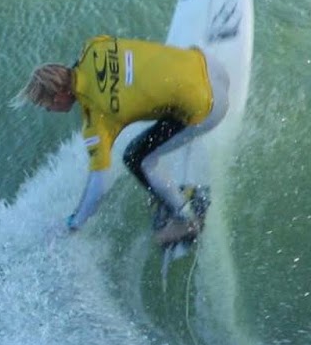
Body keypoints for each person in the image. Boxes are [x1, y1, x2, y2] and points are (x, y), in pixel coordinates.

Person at [19, 34, 230, 244]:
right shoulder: (92, 47)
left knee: (135, 158)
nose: (48, 110)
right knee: (154, 95)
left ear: (58, 97)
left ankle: (186, 219)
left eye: (46, 105)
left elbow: (98, 186)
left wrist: (73, 224)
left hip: (211, 107)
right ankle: (167, 186)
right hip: (210, 65)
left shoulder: (96, 119)